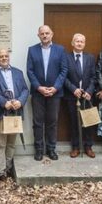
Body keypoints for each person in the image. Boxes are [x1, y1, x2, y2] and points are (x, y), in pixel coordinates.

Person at [26, 25, 68, 161]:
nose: (45, 35)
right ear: (38, 35)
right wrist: (39, 87)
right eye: (42, 33)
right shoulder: (32, 50)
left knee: (52, 122)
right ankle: (38, 149)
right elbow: (30, 71)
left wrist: (55, 87)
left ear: (52, 34)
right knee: (38, 122)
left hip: (55, 93)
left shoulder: (60, 50)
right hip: (38, 93)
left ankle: (51, 149)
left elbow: (64, 70)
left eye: (47, 33)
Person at [0, 48, 29, 178]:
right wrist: (3, 102)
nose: (4, 58)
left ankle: (8, 168)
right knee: (0, 144)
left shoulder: (18, 72)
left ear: (9, 57)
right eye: (1, 56)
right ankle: (0, 172)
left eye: (6, 56)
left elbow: (25, 90)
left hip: (15, 113)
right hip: (0, 112)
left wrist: (20, 101)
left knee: (11, 143)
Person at [64, 33, 97, 158]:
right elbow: (64, 77)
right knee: (74, 122)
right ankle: (76, 147)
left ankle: (88, 146)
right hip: (72, 95)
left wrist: (89, 91)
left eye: (82, 41)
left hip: (87, 96)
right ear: (72, 43)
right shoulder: (66, 58)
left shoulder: (90, 58)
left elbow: (94, 77)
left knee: (88, 121)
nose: (79, 43)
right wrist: (73, 89)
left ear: (84, 43)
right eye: (77, 41)